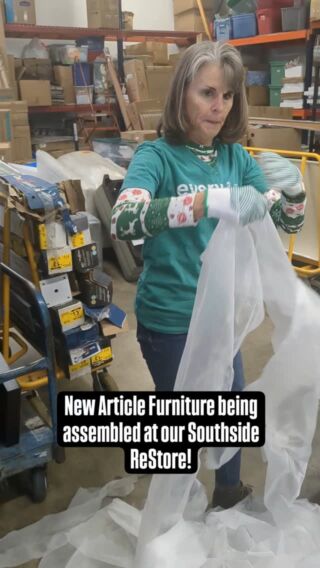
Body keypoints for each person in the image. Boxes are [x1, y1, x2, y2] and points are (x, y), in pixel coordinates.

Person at [110, 41, 306, 509]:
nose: (219, 107)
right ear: (181, 94)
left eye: (228, 95)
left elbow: (280, 220)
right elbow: (124, 219)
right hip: (170, 319)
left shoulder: (236, 159)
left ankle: (228, 490)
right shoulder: (156, 157)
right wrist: (205, 202)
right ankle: (169, 514)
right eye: (207, 93)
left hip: (223, 317)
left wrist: (293, 194)